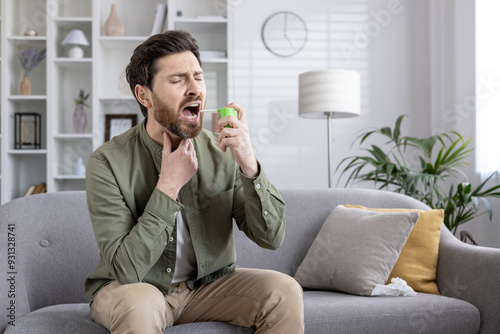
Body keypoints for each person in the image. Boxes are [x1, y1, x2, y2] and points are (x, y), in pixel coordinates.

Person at [84, 30, 304, 334]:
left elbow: (271, 237)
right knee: (140, 305)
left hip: (208, 287)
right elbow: (127, 269)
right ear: (143, 95)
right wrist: (168, 186)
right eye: (177, 80)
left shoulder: (223, 152)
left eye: (198, 78)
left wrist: (249, 163)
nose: (194, 90)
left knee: (284, 291)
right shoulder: (107, 162)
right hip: (136, 288)